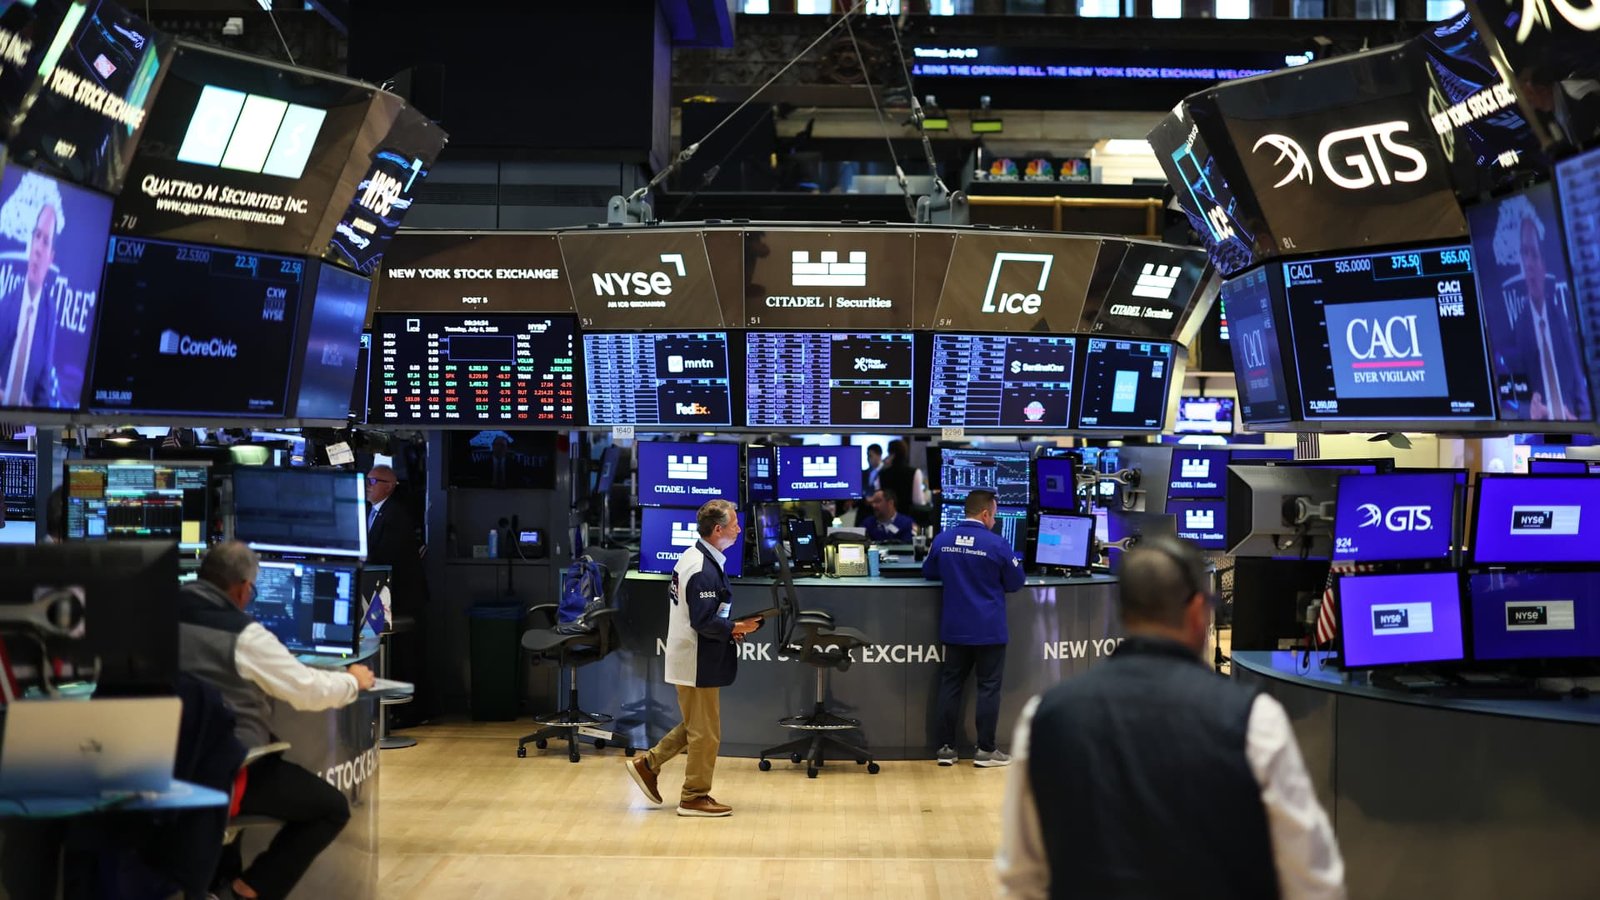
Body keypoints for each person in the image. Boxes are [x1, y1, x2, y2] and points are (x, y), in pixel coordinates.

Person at [996, 537, 1345, 899]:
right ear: (1197, 611)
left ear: (1125, 612)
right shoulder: (1254, 719)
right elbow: (1313, 880)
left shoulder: (1044, 716)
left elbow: (1021, 879)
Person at [177, 541, 377, 900]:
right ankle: (245, 892)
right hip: (226, 769)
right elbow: (306, 690)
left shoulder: (154, 616)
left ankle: (217, 885)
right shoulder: (244, 635)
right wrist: (352, 681)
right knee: (330, 809)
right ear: (243, 589)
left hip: (163, 768)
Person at [625, 499, 761, 817]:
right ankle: (693, 797)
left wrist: (729, 629)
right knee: (706, 733)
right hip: (696, 659)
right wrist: (735, 627)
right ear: (718, 530)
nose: (739, 529)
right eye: (734, 524)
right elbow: (703, 621)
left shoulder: (698, 558)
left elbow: (704, 616)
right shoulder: (701, 568)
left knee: (697, 726)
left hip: (695, 654)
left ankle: (648, 764)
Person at [922, 489, 1026, 767]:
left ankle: (945, 749)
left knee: (951, 684)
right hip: (988, 629)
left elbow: (929, 571)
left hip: (955, 627)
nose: (995, 520)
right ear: (985, 513)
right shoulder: (997, 544)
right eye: (994, 515)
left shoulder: (943, 540)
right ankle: (986, 751)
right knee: (988, 687)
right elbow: (1016, 582)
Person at [1511, 213, 1590, 421]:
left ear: (1543, 265)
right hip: (1539, 430)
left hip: (1574, 426)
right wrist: (1530, 411)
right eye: (1524, 254)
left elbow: (1579, 384)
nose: (1528, 263)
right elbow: (1512, 401)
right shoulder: (1519, 328)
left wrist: (1583, 423)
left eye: (1534, 254)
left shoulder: (1560, 317)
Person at [365, 464, 427, 723]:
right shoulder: (374, 512)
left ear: (389, 486)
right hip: (384, 594)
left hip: (401, 597)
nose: (368, 485)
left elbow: (386, 556)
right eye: (367, 480)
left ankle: (406, 713)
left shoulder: (395, 515)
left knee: (405, 656)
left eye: (373, 481)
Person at [0, 184, 62, 409]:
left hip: (24, 427)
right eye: (37, 236)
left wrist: (33, 414)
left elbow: (43, 392)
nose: (38, 248)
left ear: (51, 257)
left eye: (45, 241)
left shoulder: (49, 313)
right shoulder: (5, 305)